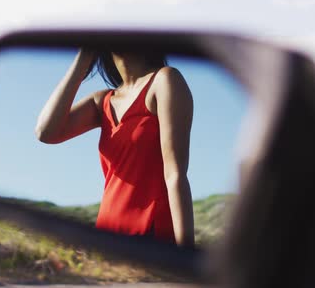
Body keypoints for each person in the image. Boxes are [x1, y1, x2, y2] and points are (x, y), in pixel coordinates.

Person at [34, 49, 195, 246]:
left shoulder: (165, 80)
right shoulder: (102, 102)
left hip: (152, 236)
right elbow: (45, 132)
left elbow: (175, 175)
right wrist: (83, 59)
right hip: (106, 237)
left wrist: (186, 254)